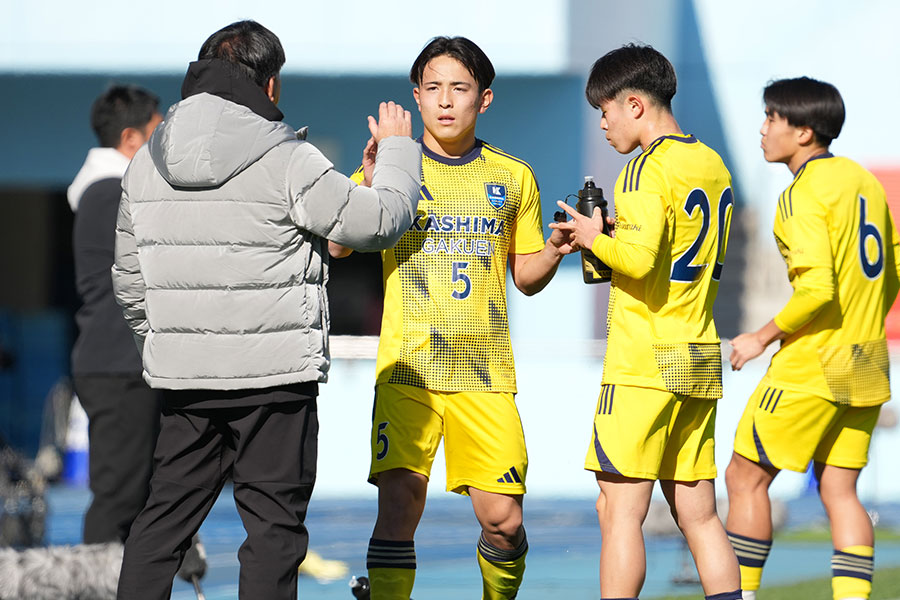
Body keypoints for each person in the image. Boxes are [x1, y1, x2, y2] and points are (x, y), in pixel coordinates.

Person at [111, 20, 421, 600]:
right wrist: (402, 152)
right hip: (275, 381)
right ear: (270, 85)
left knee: (161, 524)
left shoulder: (145, 162)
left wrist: (166, 348)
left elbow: (129, 280)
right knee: (273, 529)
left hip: (185, 381)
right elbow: (376, 223)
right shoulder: (288, 157)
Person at [336, 36, 573, 599]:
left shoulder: (513, 176)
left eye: (459, 88)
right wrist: (370, 184)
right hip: (408, 371)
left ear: (483, 99)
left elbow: (525, 277)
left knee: (504, 522)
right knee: (399, 509)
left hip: (484, 375)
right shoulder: (392, 169)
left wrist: (557, 250)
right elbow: (338, 246)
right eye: (433, 88)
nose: (445, 101)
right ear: (416, 97)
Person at [551, 44, 741, 600]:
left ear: (634, 104)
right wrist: (614, 232)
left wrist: (591, 235)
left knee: (618, 512)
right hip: (697, 352)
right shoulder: (711, 161)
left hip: (643, 362)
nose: (604, 124)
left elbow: (637, 260)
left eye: (605, 111)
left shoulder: (644, 167)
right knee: (699, 514)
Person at [725, 77, 899, 600]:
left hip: (812, 365)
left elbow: (818, 289)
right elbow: (892, 268)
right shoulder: (863, 180)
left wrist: (759, 337)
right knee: (839, 489)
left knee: (744, 478)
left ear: (803, 132)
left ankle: (743, 595)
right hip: (867, 359)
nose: (763, 129)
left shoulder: (801, 193)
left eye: (772, 118)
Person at [68, 84, 163, 544]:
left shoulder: (104, 189)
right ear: (130, 140)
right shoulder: (111, 192)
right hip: (117, 363)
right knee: (119, 497)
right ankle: (94, 587)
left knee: (138, 492)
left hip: (117, 361)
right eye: (156, 131)